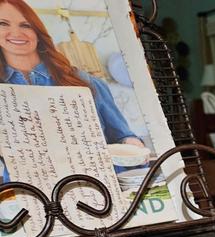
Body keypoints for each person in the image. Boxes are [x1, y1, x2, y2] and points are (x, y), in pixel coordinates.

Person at [0, 0, 144, 183]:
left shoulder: (84, 82)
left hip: (96, 186)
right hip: (27, 191)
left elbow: (122, 136)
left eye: (25, 25)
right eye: (3, 23)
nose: (16, 33)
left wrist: (133, 146)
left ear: (37, 31)